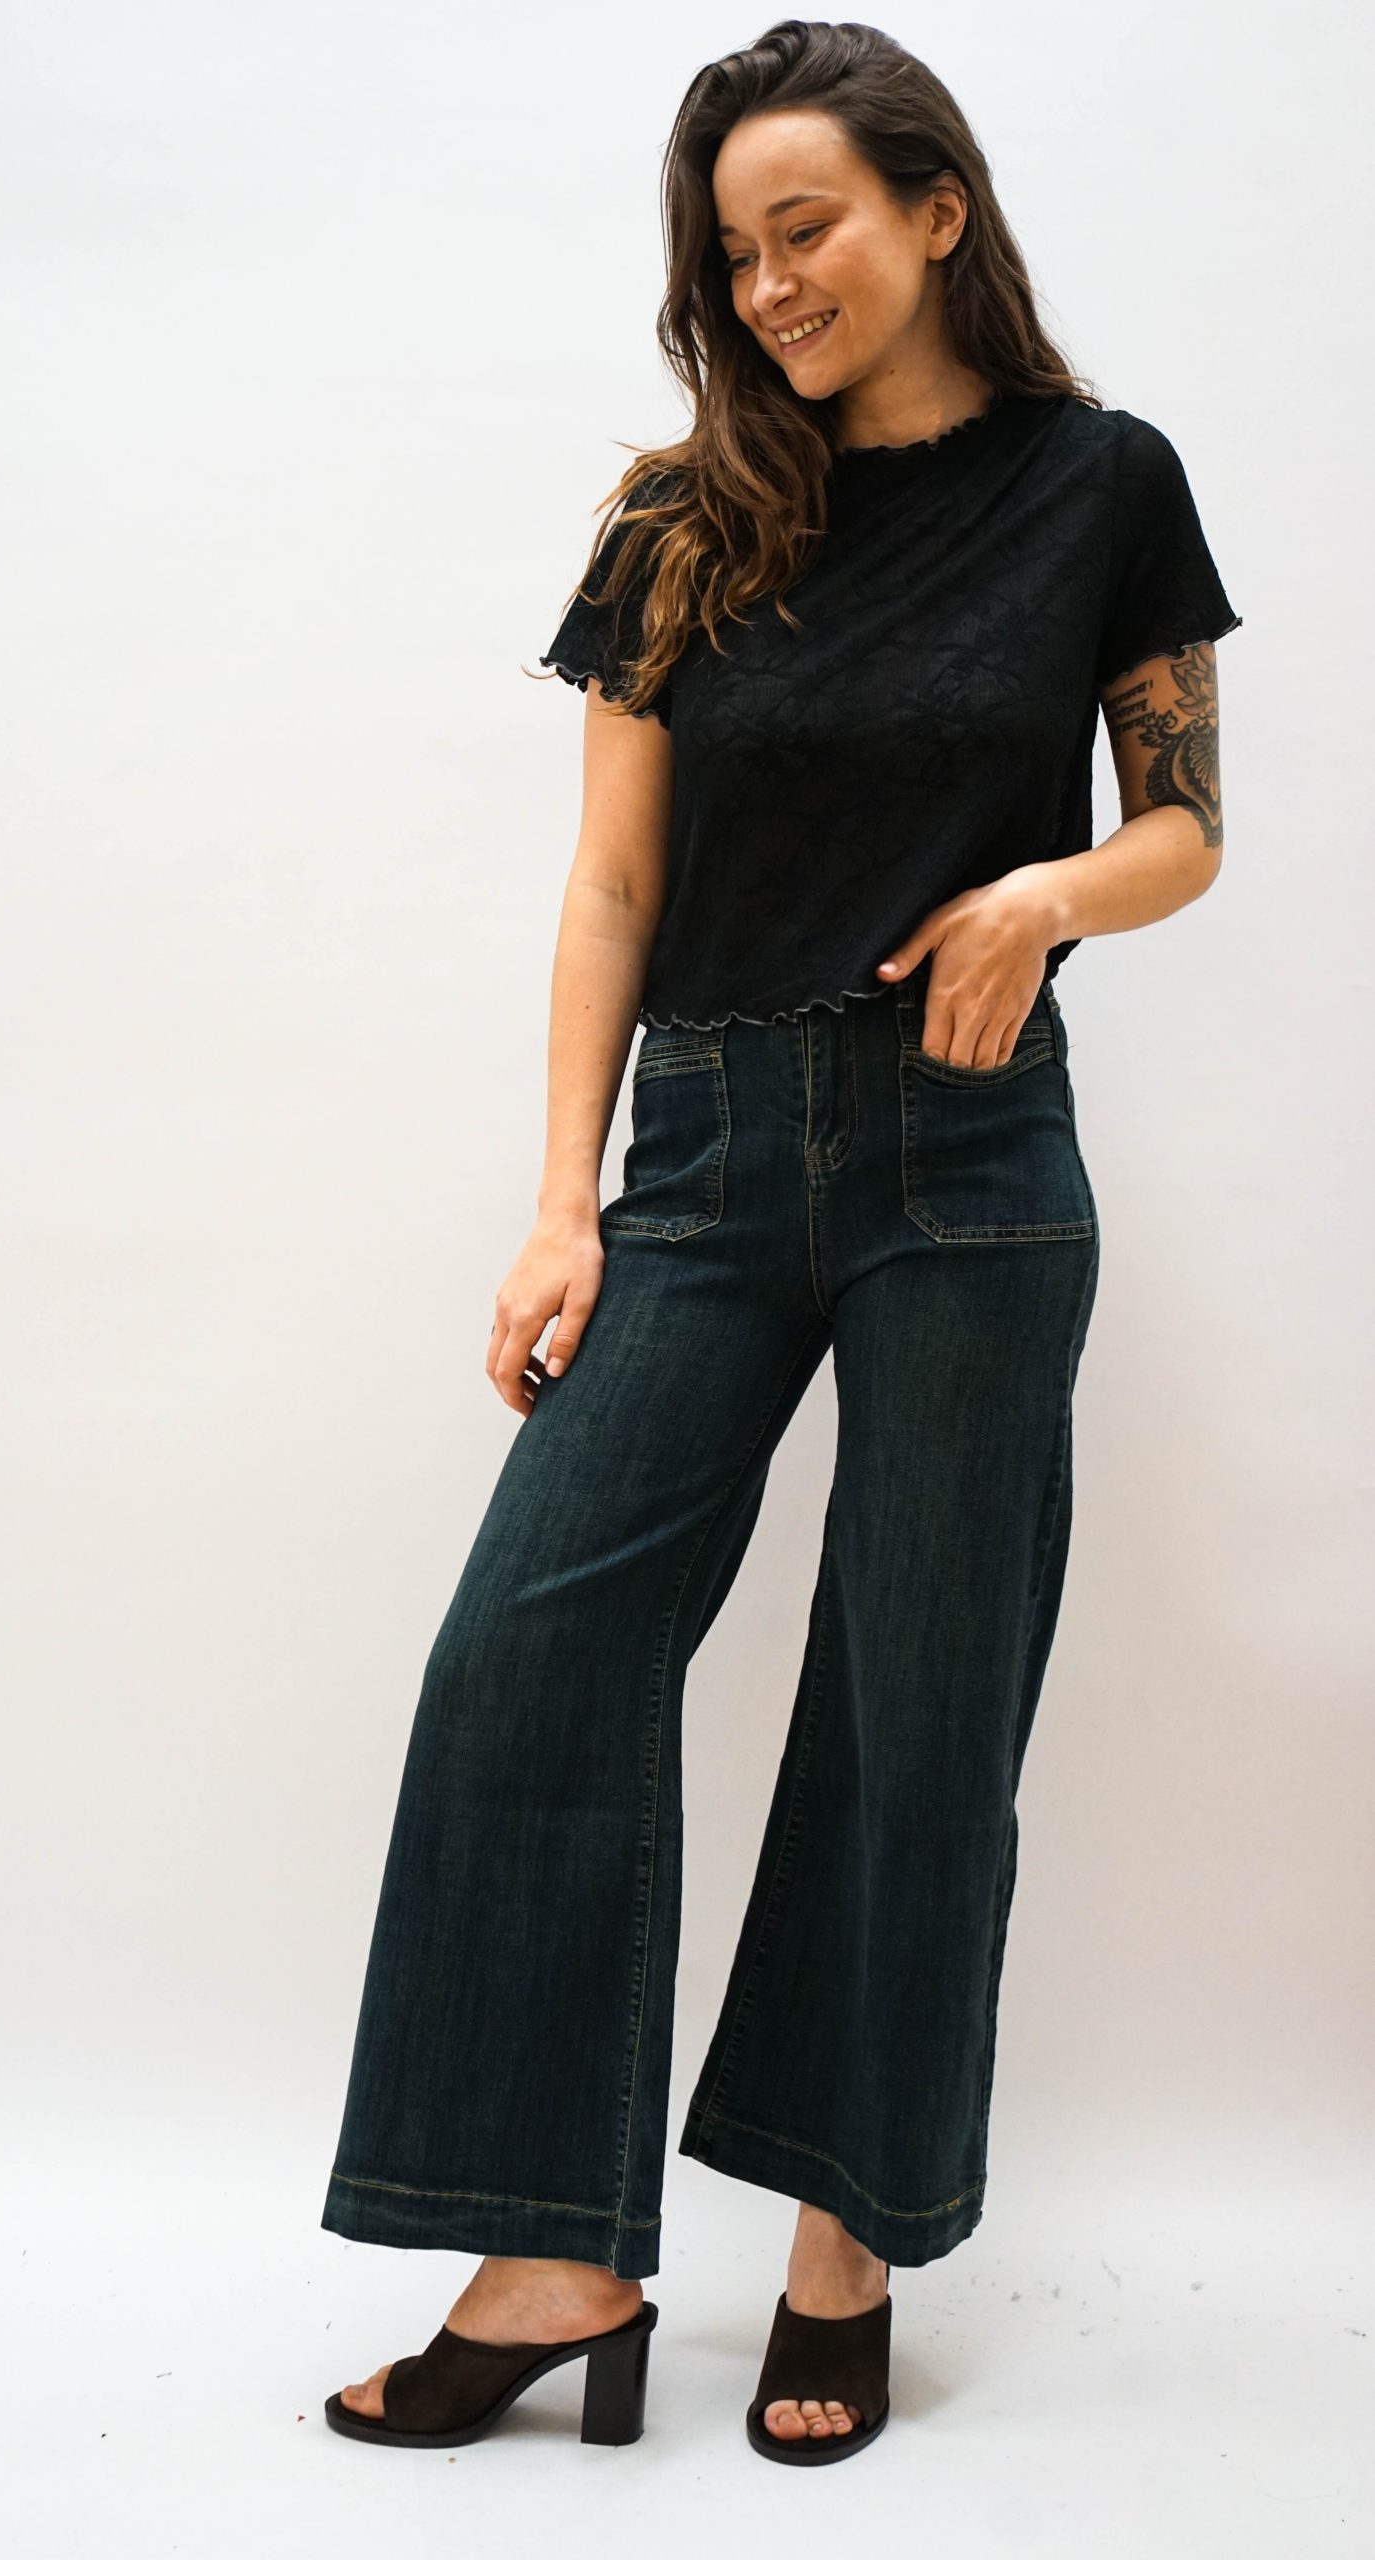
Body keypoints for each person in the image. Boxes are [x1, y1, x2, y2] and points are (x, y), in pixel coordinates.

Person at [319, 17, 1240, 2464]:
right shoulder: (678, 517)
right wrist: (561, 1200)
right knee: (529, 1646)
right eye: (729, 252)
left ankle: (843, 2238)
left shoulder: (1097, 482)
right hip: (710, 1153)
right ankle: (552, 2248)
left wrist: (1041, 895)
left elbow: (1181, 823)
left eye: (801, 226)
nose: (764, 285)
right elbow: (612, 882)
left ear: (935, 210)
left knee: (918, 1700)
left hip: (965, 1160)